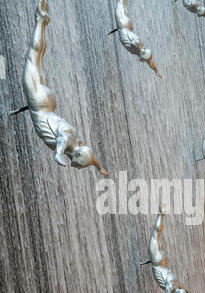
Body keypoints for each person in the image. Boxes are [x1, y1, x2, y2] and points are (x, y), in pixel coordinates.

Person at [9, 1, 108, 176]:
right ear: (77, 155)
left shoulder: (79, 143)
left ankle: (43, 24)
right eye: (76, 163)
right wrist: (58, 154)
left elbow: (91, 158)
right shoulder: (69, 141)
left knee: (37, 58)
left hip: (46, 103)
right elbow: (63, 138)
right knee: (33, 55)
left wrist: (99, 167)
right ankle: (40, 21)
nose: (74, 165)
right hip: (39, 101)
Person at [141, 204, 195, 293]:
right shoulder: (171, 286)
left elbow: (183, 288)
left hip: (161, 261)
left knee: (158, 234)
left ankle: (162, 215)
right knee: (155, 233)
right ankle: (161, 214)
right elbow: (167, 292)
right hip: (157, 260)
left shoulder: (176, 283)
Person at [109, 0, 162, 78]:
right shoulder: (138, 47)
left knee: (122, 2)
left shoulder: (140, 49)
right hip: (122, 25)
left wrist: (156, 71)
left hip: (126, 26)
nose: (144, 48)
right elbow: (149, 61)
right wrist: (156, 71)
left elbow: (150, 62)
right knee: (121, 2)